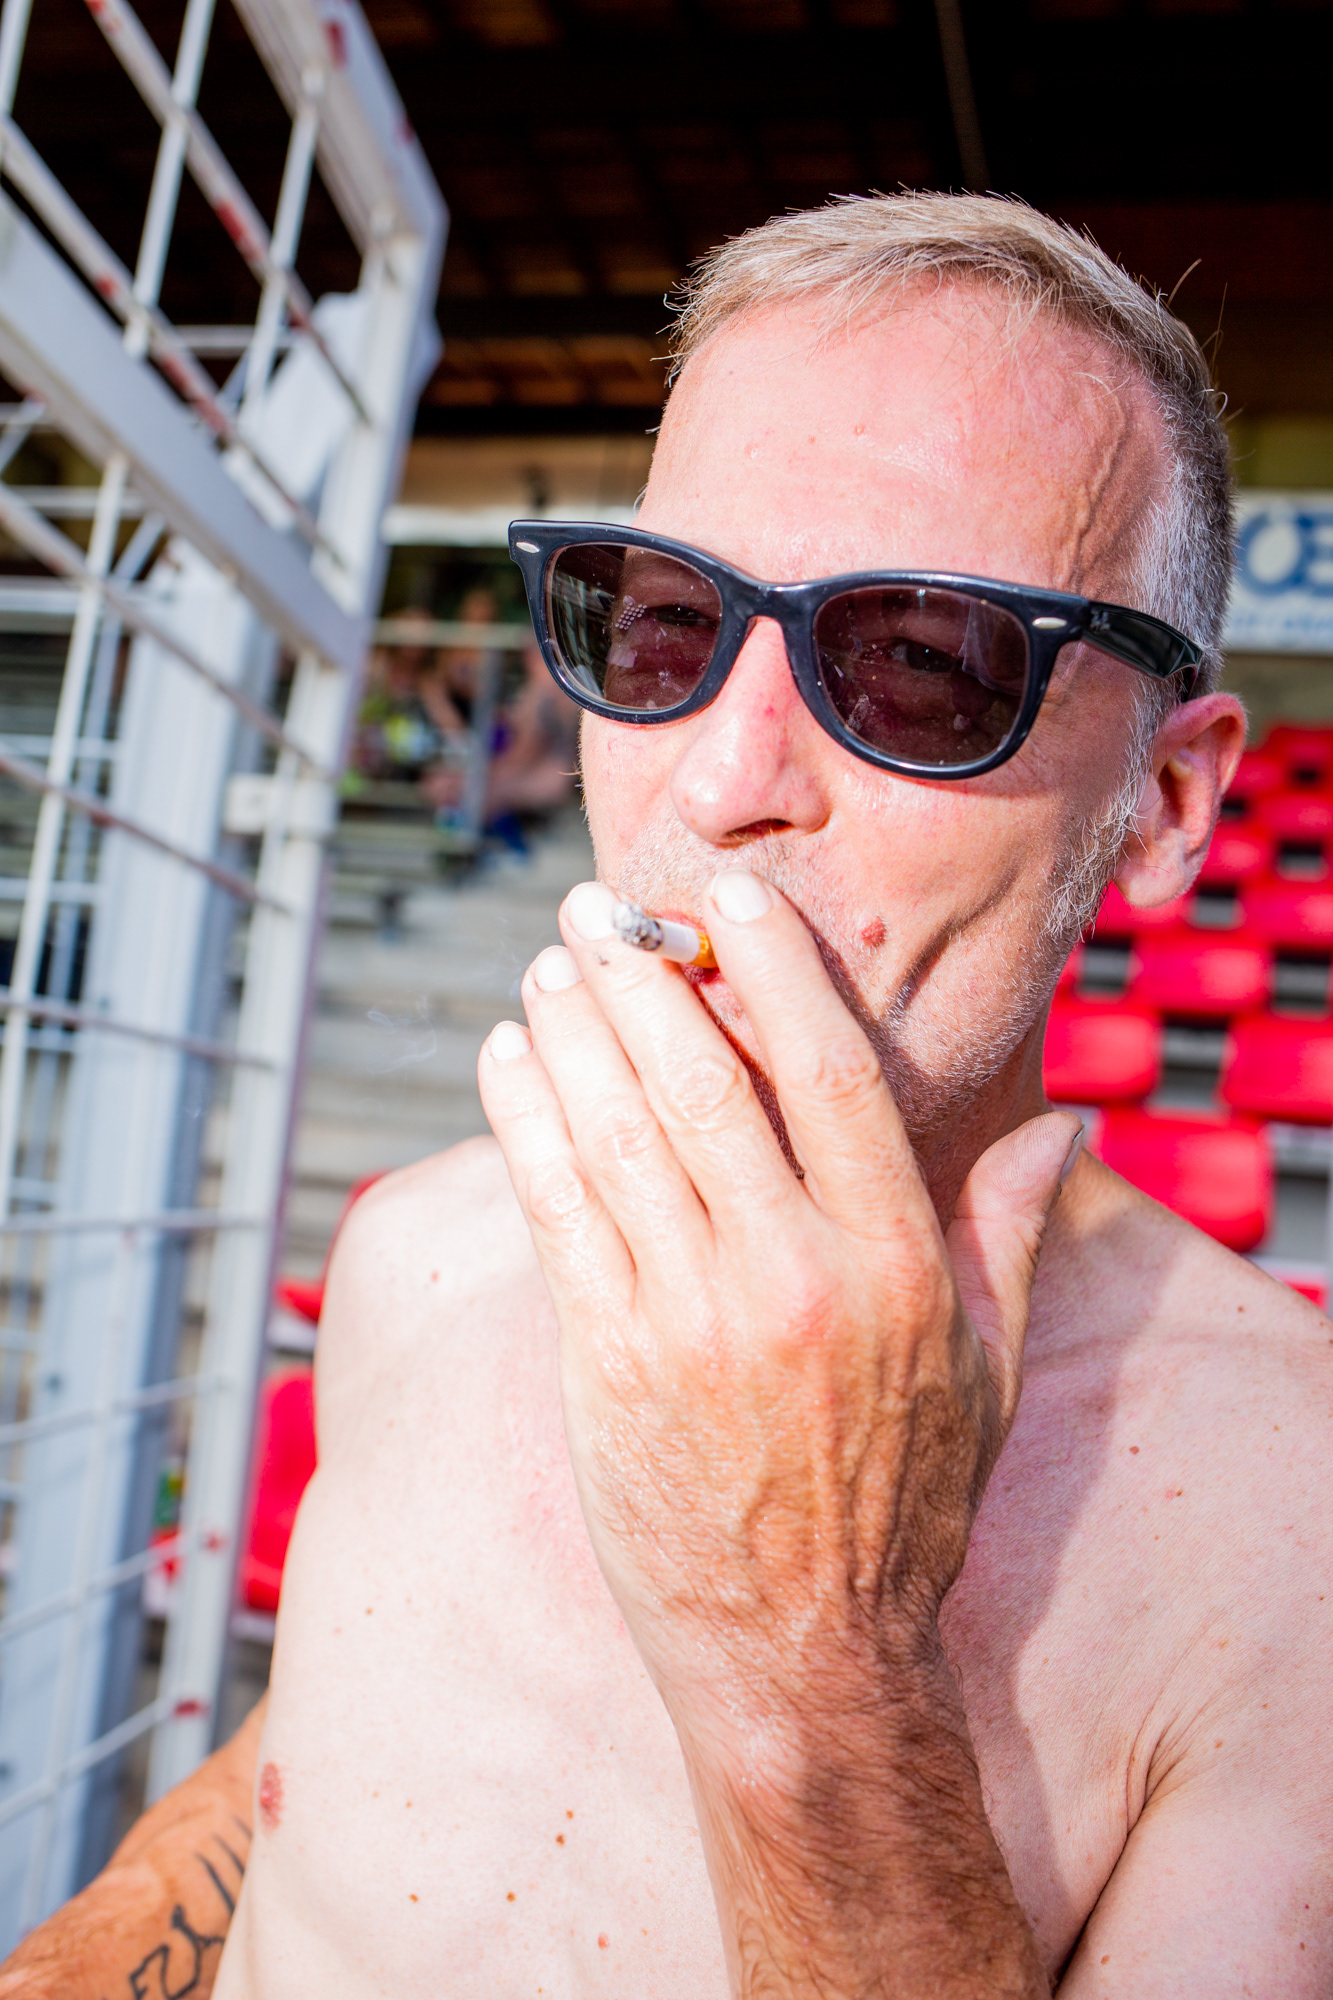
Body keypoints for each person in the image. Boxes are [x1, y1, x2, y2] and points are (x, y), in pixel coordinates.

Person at [7, 192, 1332, 1998]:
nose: (718, 782)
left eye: (921, 662)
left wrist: (818, 1659)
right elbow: (317, 1764)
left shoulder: (1287, 1526)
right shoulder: (419, 1248)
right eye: (661, 626)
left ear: (1163, 808)